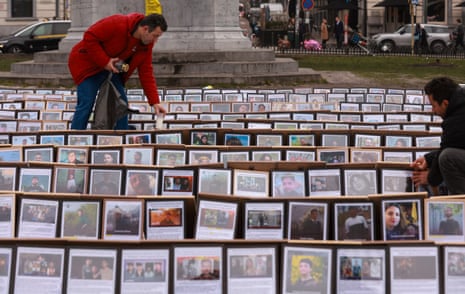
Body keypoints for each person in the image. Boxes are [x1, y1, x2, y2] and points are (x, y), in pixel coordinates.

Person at [68, 13, 168, 130]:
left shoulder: (147, 45)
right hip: (88, 66)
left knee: (121, 103)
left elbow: (146, 72)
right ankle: (75, 136)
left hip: (112, 68)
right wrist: (105, 61)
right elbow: (89, 37)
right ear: (145, 29)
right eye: (155, 36)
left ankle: (122, 137)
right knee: (86, 103)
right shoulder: (117, 23)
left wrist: (155, 102)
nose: (155, 41)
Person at [410, 77, 465, 195]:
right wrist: (429, 159)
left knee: (447, 157)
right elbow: (456, 144)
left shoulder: (456, 120)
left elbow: (447, 149)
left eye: (434, 105)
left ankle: (461, 203)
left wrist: (430, 178)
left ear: (445, 103)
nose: (433, 111)